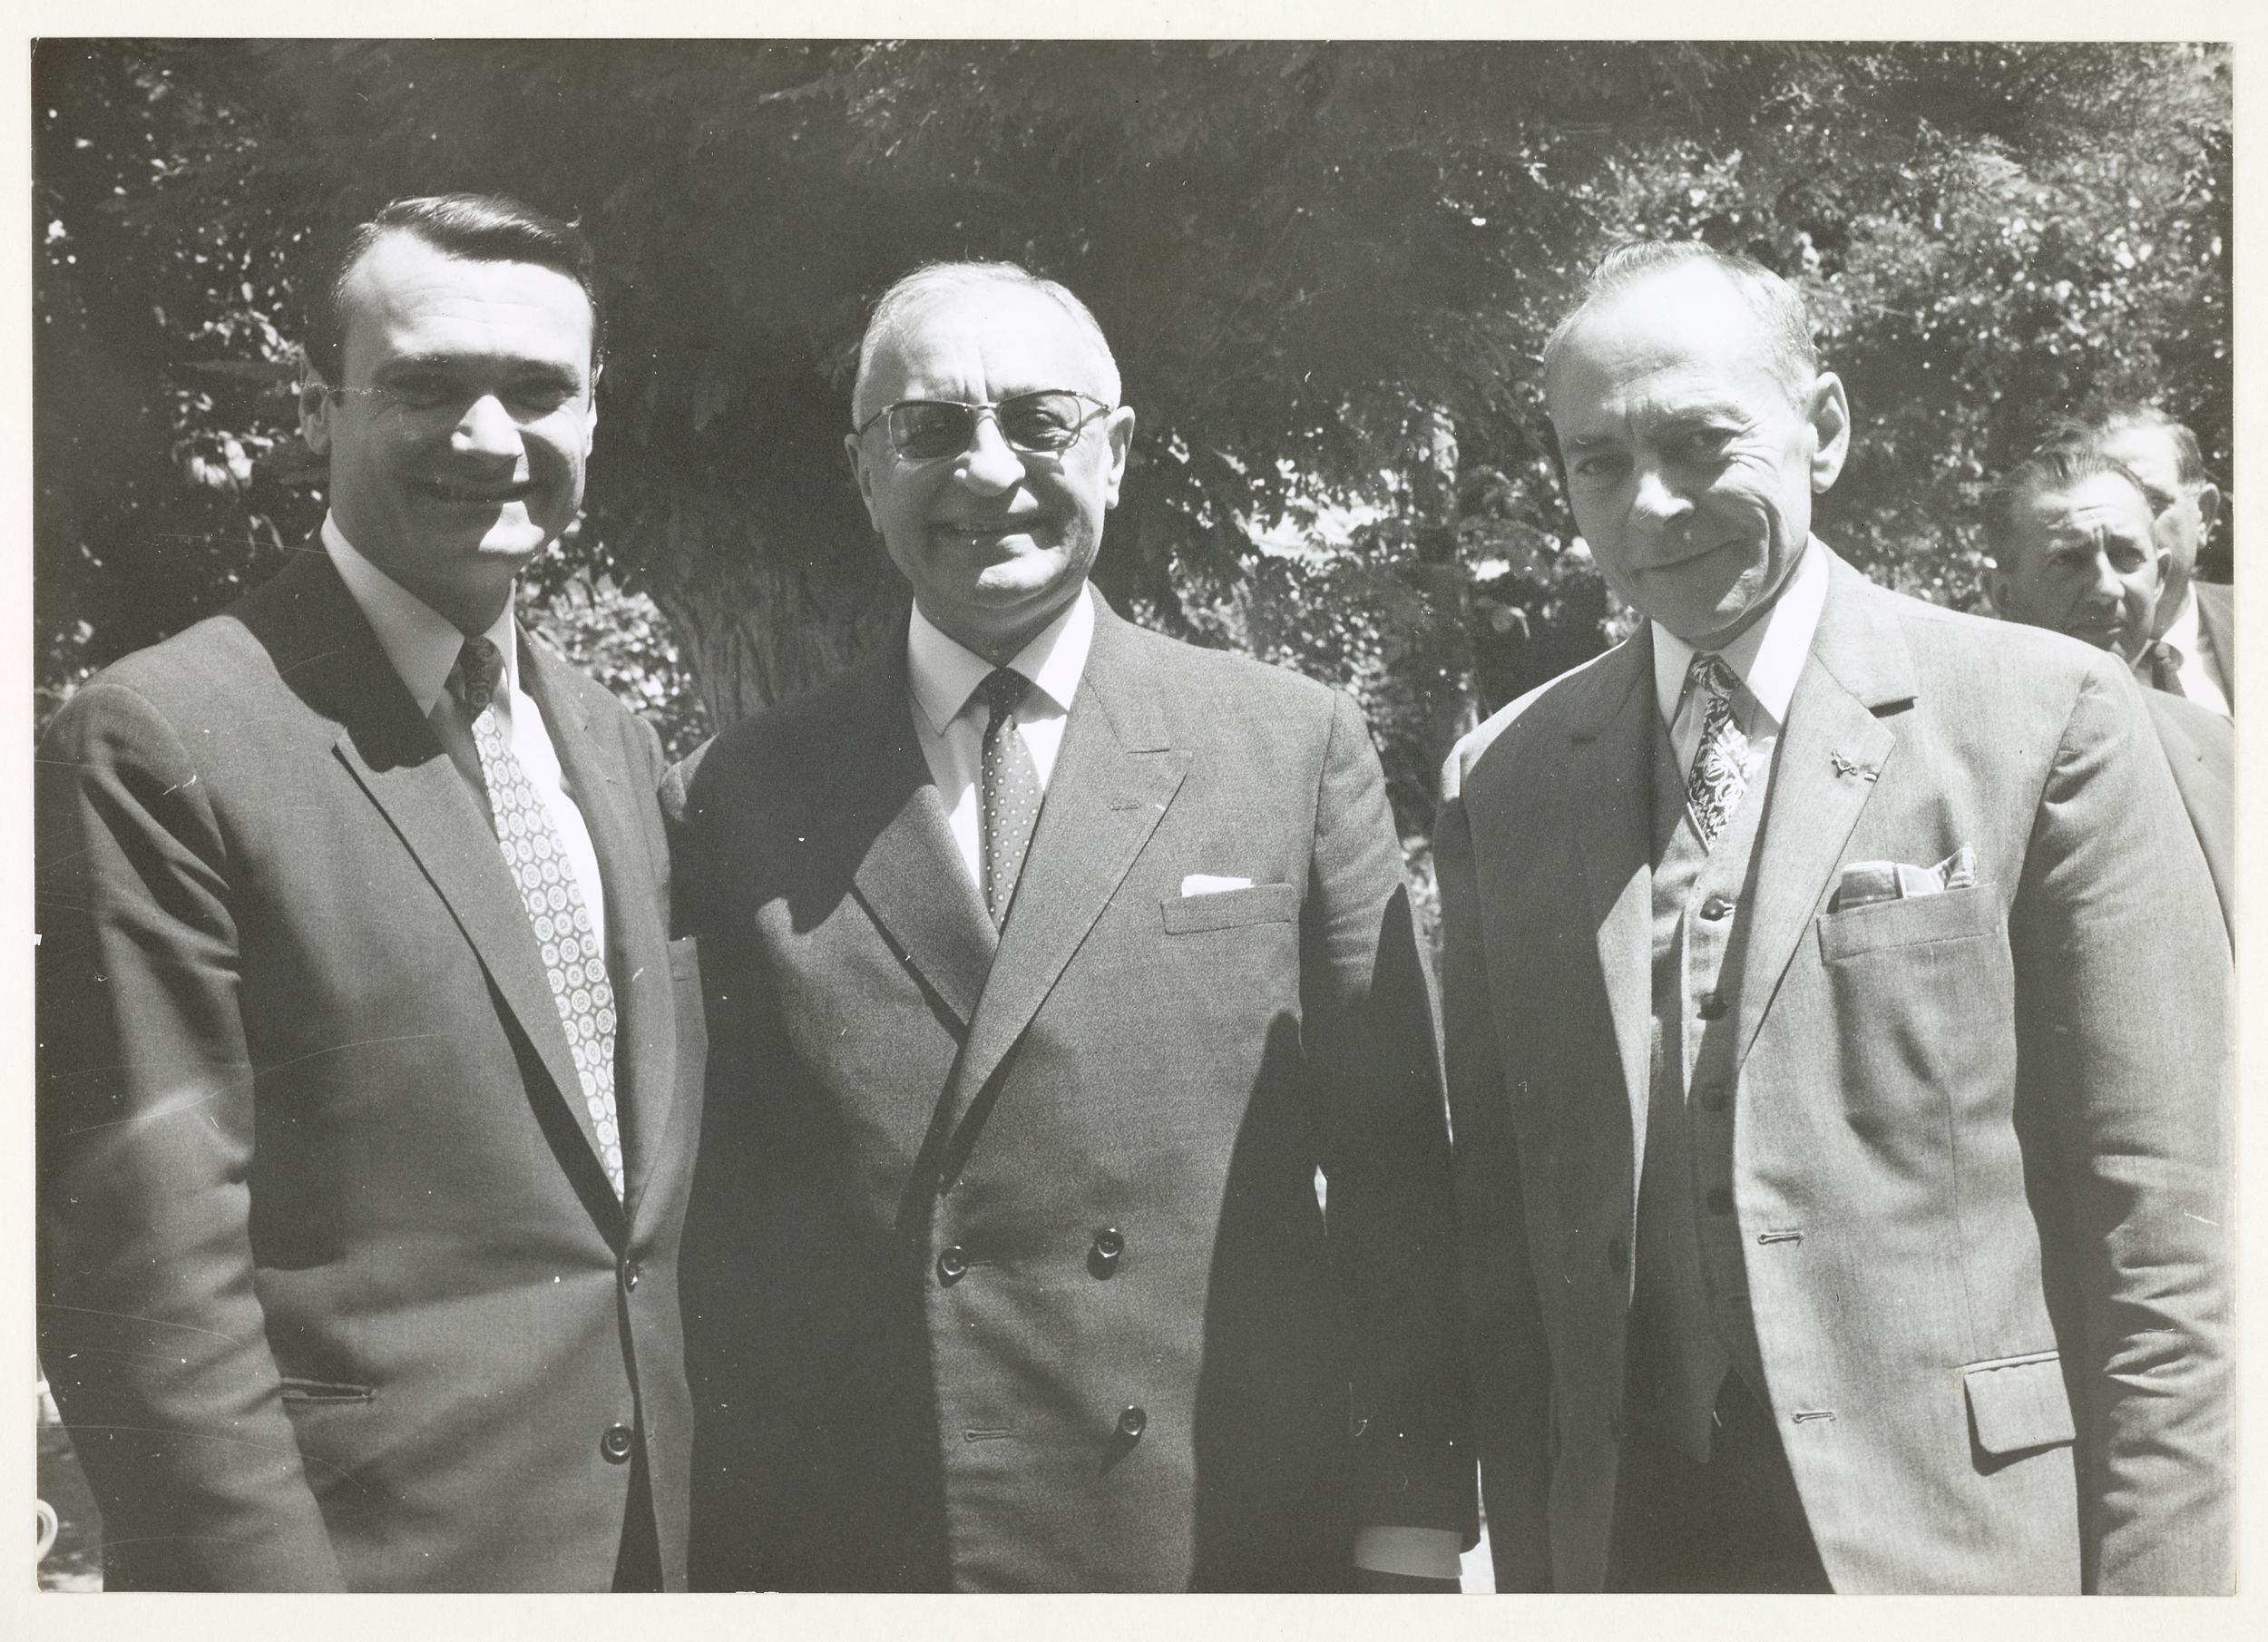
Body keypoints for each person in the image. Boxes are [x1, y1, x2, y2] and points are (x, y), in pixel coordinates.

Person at [1435, 241, 2231, 1594]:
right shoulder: (1504, 777)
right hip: (1636, 1547)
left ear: (1827, 429)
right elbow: (1508, 1243)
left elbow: (2170, 1241)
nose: (1652, 504)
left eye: (1700, 442)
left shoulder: (2045, 716)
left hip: (1952, 1544)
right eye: (1599, 463)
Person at [669, 261, 1471, 1591]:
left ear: (1116, 451)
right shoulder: (739, 792)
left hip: (1224, 1544)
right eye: (929, 429)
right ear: (865, 471)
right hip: (885, 1557)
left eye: (1040, 420)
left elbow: (1399, 1178)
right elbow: (721, 1224)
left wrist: (1410, 1530)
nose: (987, 471)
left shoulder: (1285, 744)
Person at [36, 194, 706, 1590]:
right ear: (320, 405)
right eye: (424, 385)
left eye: (535, 391)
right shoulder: (164, 737)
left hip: (653, 1562)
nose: (486, 437)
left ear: (593, 415)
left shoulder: (617, 747)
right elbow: (145, 1283)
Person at [1983, 445, 2233, 936]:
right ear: (2003, 596)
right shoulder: (1961, 755)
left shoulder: (2218, 741)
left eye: (2127, 557)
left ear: (2159, 577)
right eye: (2068, 561)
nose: (2107, 588)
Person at [2071, 406, 2231, 717]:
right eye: (2100, 507)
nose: (2126, 529)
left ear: (2204, 516)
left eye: (2152, 501)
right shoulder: (2055, 658)